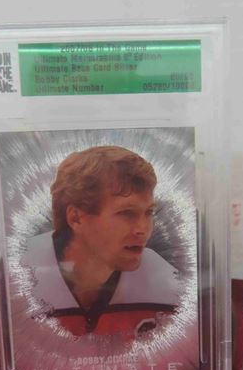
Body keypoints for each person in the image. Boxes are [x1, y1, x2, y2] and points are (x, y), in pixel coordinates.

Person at [21, 145, 180, 339]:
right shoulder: (17, 278)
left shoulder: (165, 281)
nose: (143, 228)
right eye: (126, 213)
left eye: (149, 212)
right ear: (76, 218)